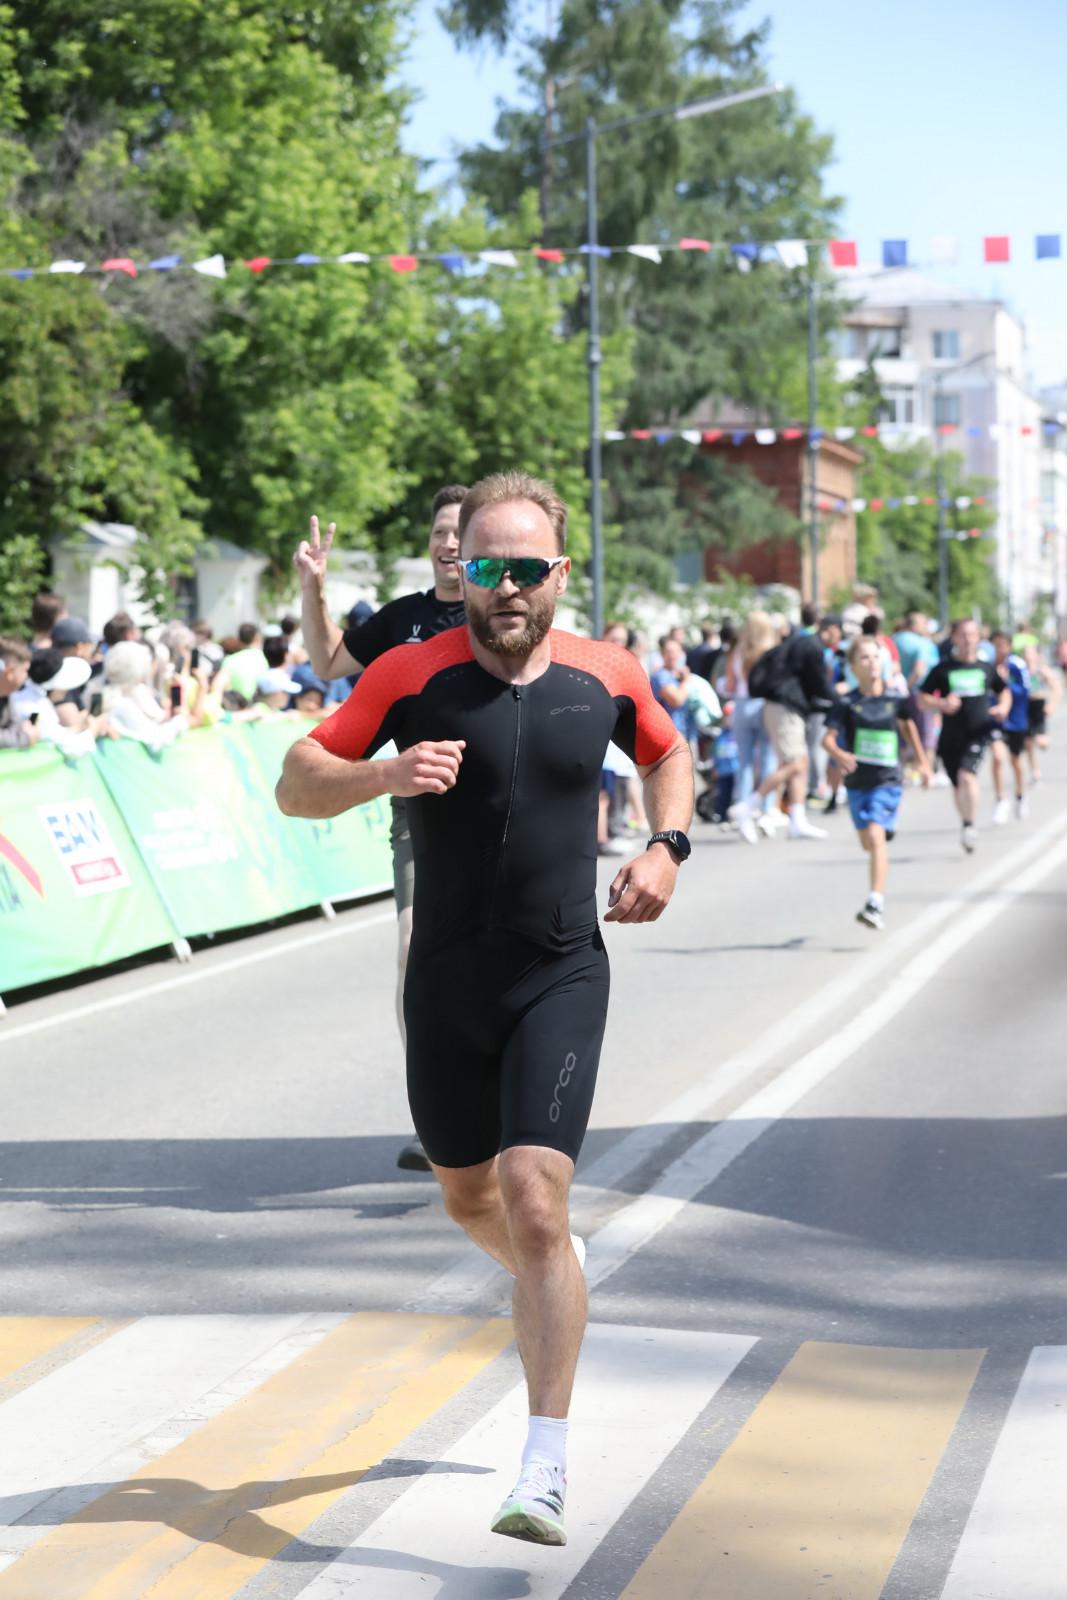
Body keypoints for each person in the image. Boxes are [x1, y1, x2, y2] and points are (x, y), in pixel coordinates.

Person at [277, 470, 692, 1547]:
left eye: (526, 568)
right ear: (460, 571)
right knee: (468, 1200)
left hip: (560, 969)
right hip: (446, 983)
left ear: (558, 572)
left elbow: (668, 752)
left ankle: (541, 1468)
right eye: (486, 566)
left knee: (534, 1198)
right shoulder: (410, 674)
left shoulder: (605, 673)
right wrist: (384, 777)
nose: (505, 586)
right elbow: (296, 778)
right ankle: (558, 1288)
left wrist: (665, 845)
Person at [294, 484, 468, 1173]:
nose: (448, 543)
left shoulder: (501, 612)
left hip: (505, 807)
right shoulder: (404, 619)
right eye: (439, 532)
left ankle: (505, 1101)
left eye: (460, 532)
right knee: (413, 952)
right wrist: (313, 589)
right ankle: (439, 1118)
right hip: (419, 809)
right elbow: (328, 663)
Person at [823, 635, 930, 930]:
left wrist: (922, 762)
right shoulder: (847, 702)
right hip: (857, 782)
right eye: (865, 658)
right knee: (867, 842)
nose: (872, 663)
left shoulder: (896, 699)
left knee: (875, 834)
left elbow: (908, 727)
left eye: (875, 657)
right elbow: (827, 739)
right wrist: (840, 754)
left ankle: (875, 903)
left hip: (888, 780)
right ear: (853, 667)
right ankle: (881, 834)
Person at [918, 618, 1010, 854]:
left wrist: (1003, 707)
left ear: (978, 638)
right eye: (963, 635)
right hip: (950, 736)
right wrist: (942, 703)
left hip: (978, 733)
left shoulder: (985, 667)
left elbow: (1003, 691)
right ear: (954, 638)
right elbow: (922, 699)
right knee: (958, 785)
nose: (968, 640)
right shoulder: (942, 669)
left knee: (967, 777)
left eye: (972, 634)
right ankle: (966, 822)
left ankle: (969, 825)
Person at [736, 623, 834, 842]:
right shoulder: (805, 646)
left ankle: (797, 820)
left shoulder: (782, 648)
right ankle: (748, 805)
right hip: (784, 709)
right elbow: (817, 682)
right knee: (795, 764)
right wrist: (836, 699)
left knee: (799, 763)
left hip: (778, 708)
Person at [721, 611, 780, 832]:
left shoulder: (738, 651)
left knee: (744, 761)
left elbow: (730, 684)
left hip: (742, 704)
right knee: (767, 759)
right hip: (764, 704)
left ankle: (743, 805)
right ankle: (766, 808)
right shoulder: (770, 650)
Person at [988, 631, 1029, 823]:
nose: (999, 649)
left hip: (1016, 719)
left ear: (1009, 646)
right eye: (996, 645)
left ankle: (1020, 795)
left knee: (1015, 760)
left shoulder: (1017, 665)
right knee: (998, 757)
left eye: (1002, 645)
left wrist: (1005, 684)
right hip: (996, 719)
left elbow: (1025, 690)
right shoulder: (988, 665)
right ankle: (1000, 800)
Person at [1022, 642, 1061, 782]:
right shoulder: (1021, 670)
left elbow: (1057, 688)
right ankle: (1035, 770)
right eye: (1025, 654)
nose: (1028, 657)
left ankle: (1042, 739)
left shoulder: (1042, 670)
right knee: (1027, 743)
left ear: (1036, 655)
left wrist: (1052, 705)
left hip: (1039, 707)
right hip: (1025, 706)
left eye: (1030, 653)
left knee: (1041, 742)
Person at [0, 636, 39, 749]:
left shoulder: (5, 695)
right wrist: (25, 737)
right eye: (25, 670)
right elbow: (23, 733)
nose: (27, 676)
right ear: (9, 672)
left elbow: (16, 726)